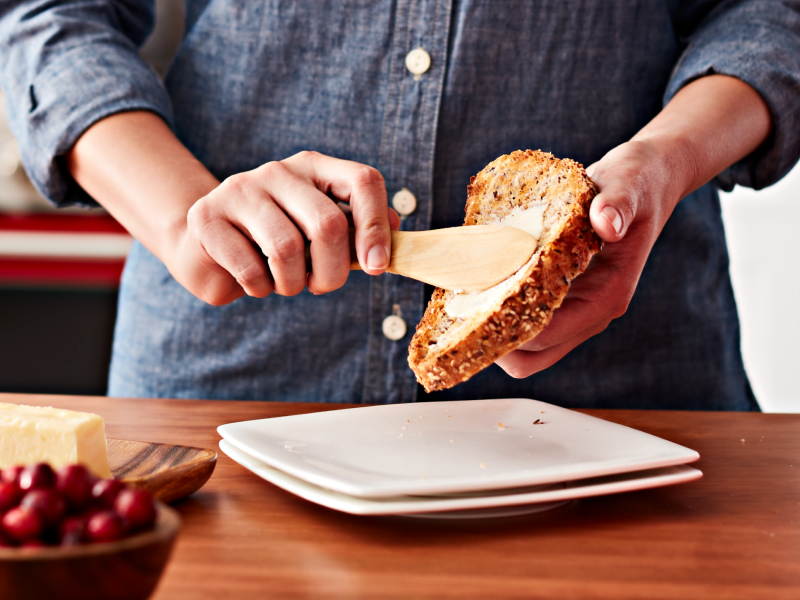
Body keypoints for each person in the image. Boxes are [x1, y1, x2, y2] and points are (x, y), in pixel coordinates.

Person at [1, 1, 798, 409]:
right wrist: (185, 216)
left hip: (626, 400)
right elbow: (49, 13)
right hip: (231, 394)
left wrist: (666, 160)